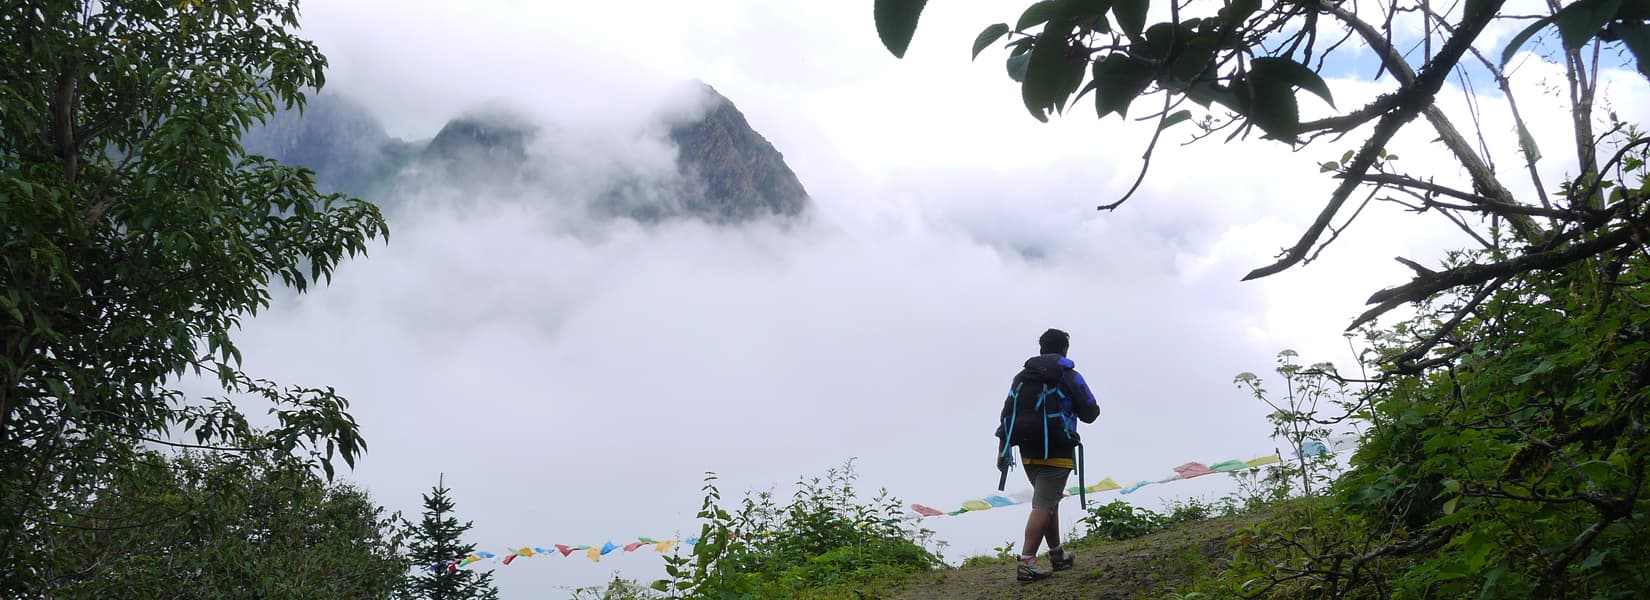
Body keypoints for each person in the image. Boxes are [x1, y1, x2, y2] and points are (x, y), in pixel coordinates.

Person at [995, 328, 1101, 582]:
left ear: (1041, 349)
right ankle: (1027, 561)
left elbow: (1007, 411)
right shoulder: (1069, 375)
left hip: (1027, 451)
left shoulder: (1022, 377)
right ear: (1065, 349)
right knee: (1044, 504)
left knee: (1049, 499)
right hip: (1058, 448)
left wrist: (1002, 450)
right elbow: (1090, 412)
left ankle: (1057, 554)